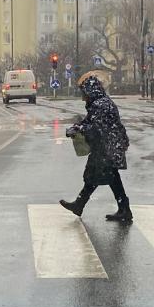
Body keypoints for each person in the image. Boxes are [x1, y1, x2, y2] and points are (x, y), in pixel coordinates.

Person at [60, 73, 132, 222]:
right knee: (104, 176)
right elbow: (88, 121)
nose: (83, 97)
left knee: (97, 175)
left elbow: (95, 128)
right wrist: (77, 127)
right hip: (109, 146)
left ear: (90, 91)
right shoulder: (99, 103)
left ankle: (81, 204)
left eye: (84, 94)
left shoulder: (101, 105)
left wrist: (79, 130)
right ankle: (123, 208)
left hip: (108, 147)